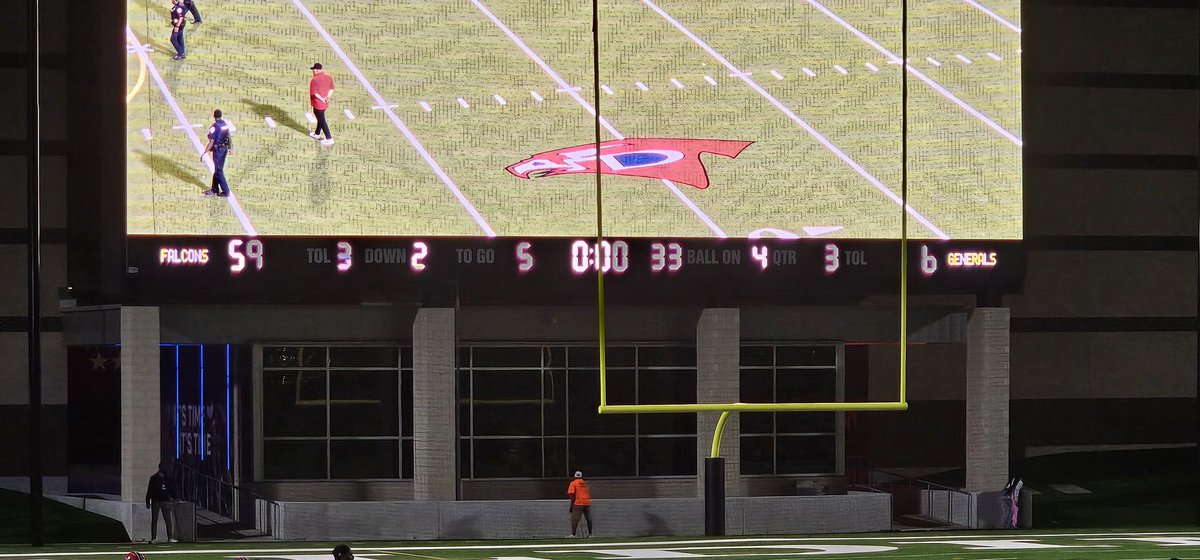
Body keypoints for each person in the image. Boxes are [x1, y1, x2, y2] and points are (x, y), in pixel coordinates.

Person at [145, 462, 178, 543]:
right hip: (156, 500)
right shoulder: (154, 478)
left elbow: (171, 489)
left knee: (168, 519)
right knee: (154, 519)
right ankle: (153, 538)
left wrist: (174, 497)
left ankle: (170, 537)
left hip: (165, 500)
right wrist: (148, 500)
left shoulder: (168, 478)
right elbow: (150, 489)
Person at [203, 109, 232, 197]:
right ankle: (214, 189)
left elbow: (211, 142)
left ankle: (226, 191)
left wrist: (205, 152)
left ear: (214, 116)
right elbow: (229, 136)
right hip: (224, 149)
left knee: (219, 171)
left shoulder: (214, 127)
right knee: (217, 169)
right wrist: (230, 148)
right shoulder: (225, 124)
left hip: (218, 151)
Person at [308, 63, 335, 146]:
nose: (313, 71)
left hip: (318, 104)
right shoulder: (328, 77)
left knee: (322, 120)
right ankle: (317, 134)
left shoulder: (314, 79)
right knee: (320, 118)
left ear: (316, 70)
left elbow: (315, 93)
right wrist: (327, 97)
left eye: (313, 70)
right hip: (325, 104)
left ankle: (329, 138)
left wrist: (322, 99)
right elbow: (332, 88)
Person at [567, 470, 593, 537]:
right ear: (581, 476)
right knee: (589, 519)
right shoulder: (585, 483)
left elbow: (572, 495)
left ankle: (573, 534)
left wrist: (571, 505)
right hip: (587, 502)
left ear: (575, 477)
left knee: (574, 519)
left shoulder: (573, 483)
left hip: (578, 503)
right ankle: (590, 534)